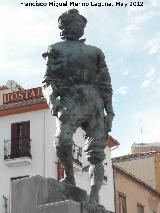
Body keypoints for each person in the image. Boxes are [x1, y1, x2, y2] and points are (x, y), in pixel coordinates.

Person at [42, 9, 114, 206]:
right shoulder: (55, 48)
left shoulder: (96, 52)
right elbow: (48, 81)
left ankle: (92, 198)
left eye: (82, 23)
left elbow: (105, 83)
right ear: (64, 26)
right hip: (70, 100)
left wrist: (110, 110)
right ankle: (69, 176)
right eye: (77, 22)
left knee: (97, 154)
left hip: (94, 103)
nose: (81, 26)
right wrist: (53, 103)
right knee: (62, 141)